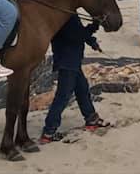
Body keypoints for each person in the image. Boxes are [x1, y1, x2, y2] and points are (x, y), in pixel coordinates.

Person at [39, 15, 108, 143]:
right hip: (67, 61)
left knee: (82, 90)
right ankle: (48, 132)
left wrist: (92, 41)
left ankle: (91, 118)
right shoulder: (62, 17)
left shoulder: (70, 15)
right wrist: (94, 25)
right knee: (63, 96)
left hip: (73, 61)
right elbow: (76, 35)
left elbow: (78, 31)